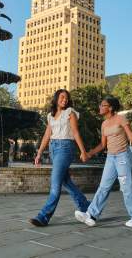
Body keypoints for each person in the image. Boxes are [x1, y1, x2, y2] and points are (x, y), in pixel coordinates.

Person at [75, 96, 132, 228]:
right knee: (104, 187)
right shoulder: (104, 124)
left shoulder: (121, 119)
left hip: (122, 157)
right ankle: (91, 214)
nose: (100, 107)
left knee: (126, 187)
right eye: (100, 105)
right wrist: (89, 153)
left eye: (103, 105)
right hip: (110, 158)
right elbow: (103, 145)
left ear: (111, 107)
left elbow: (130, 135)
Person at [30, 89, 90, 227]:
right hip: (53, 148)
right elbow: (46, 135)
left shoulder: (70, 113)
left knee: (55, 184)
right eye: (62, 97)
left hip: (66, 147)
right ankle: (86, 206)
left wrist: (83, 151)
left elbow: (75, 132)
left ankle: (43, 217)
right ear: (56, 98)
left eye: (67, 98)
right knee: (66, 181)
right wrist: (39, 153)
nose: (65, 100)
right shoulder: (50, 116)